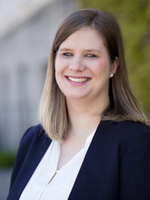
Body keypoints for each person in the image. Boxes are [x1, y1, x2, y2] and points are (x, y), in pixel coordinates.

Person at [7, 8, 150, 200]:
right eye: (67, 53)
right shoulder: (33, 140)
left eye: (91, 55)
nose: (75, 66)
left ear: (113, 65)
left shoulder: (136, 143)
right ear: (54, 60)